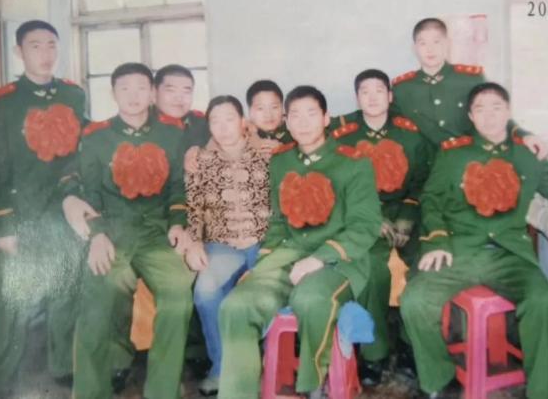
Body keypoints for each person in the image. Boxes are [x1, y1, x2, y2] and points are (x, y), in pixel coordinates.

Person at [400, 82, 548, 399]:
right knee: (414, 301)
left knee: (544, 303)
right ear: (471, 116)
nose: (489, 116)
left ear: (508, 112)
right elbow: (431, 200)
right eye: (480, 110)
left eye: (496, 108)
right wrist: (437, 241)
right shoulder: (453, 154)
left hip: (510, 254)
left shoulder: (526, 155)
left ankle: (541, 391)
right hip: (459, 250)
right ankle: (440, 382)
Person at [217, 86, 382, 399]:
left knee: (310, 299)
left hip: (338, 260)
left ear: (326, 118)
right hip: (287, 256)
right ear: (287, 121)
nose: (303, 122)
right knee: (236, 305)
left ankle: (312, 383)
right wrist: (263, 265)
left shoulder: (354, 163)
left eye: (311, 114)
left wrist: (318, 258)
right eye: (295, 115)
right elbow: (277, 223)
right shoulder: (280, 162)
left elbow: (365, 226)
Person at [73, 62, 195, 399]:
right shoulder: (96, 137)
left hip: (157, 232)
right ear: (113, 93)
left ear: (152, 93)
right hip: (113, 232)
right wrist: (97, 233)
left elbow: (177, 187)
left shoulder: (172, 133)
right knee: (98, 298)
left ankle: (163, 391)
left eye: (141, 88)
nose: (133, 96)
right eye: (124, 88)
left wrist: (177, 224)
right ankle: (90, 393)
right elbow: (89, 192)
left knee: (178, 293)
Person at [0, 20, 86, 394]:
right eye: (35, 46)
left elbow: (81, 150)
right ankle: (0, 374)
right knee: (12, 299)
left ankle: (62, 365)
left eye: (51, 46)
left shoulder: (73, 95)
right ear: (19, 51)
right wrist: (3, 226)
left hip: (63, 206)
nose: (45, 54)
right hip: (21, 212)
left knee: (67, 285)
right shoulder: (2, 102)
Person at [108, 63, 210, 391]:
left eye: (187, 90)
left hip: (198, 214)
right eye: (170, 90)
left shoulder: (202, 123)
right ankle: (119, 360)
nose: (179, 98)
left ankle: (193, 351)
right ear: (154, 93)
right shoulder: (138, 124)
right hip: (151, 222)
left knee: (197, 267)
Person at [329, 69, 433, 385]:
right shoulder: (342, 135)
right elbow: (336, 185)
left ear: (389, 96)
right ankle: (374, 352)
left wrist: (408, 214)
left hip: (406, 213)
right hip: (363, 218)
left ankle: (410, 345)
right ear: (357, 98)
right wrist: (370, 218)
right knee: (372, 268)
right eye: (365, 91)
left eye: (378, 91)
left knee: (423, 263)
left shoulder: (410, 134)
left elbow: (423, 179)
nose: (372, 97)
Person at [182, 94, 272, 396]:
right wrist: (195, 243)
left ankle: (263, 363)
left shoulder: (268, 152)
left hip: (265, 242)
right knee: (205, 292)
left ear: (242, 121)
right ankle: (222, 368)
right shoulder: (200, 160)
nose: (222, 127)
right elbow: (194, 209)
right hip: (223, 245)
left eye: (229, 118)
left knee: (266, 295)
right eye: (215, 121)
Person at [391, 17, 547, 158]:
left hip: (468, 164)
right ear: (415, 48)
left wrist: (523, 135)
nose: (430, 49)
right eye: (423, 43)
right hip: (423, 170)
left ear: (447, 44)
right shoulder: (402, 88)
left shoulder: (470, 79)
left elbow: (493, 114)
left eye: (436, 42)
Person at [246, 79, 293, 153]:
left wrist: (283, 148)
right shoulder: (245, 133)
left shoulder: (294, 128)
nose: (268, 114)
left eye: (274, 107)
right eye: (260, 108)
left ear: (283, 108)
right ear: (250, 112)